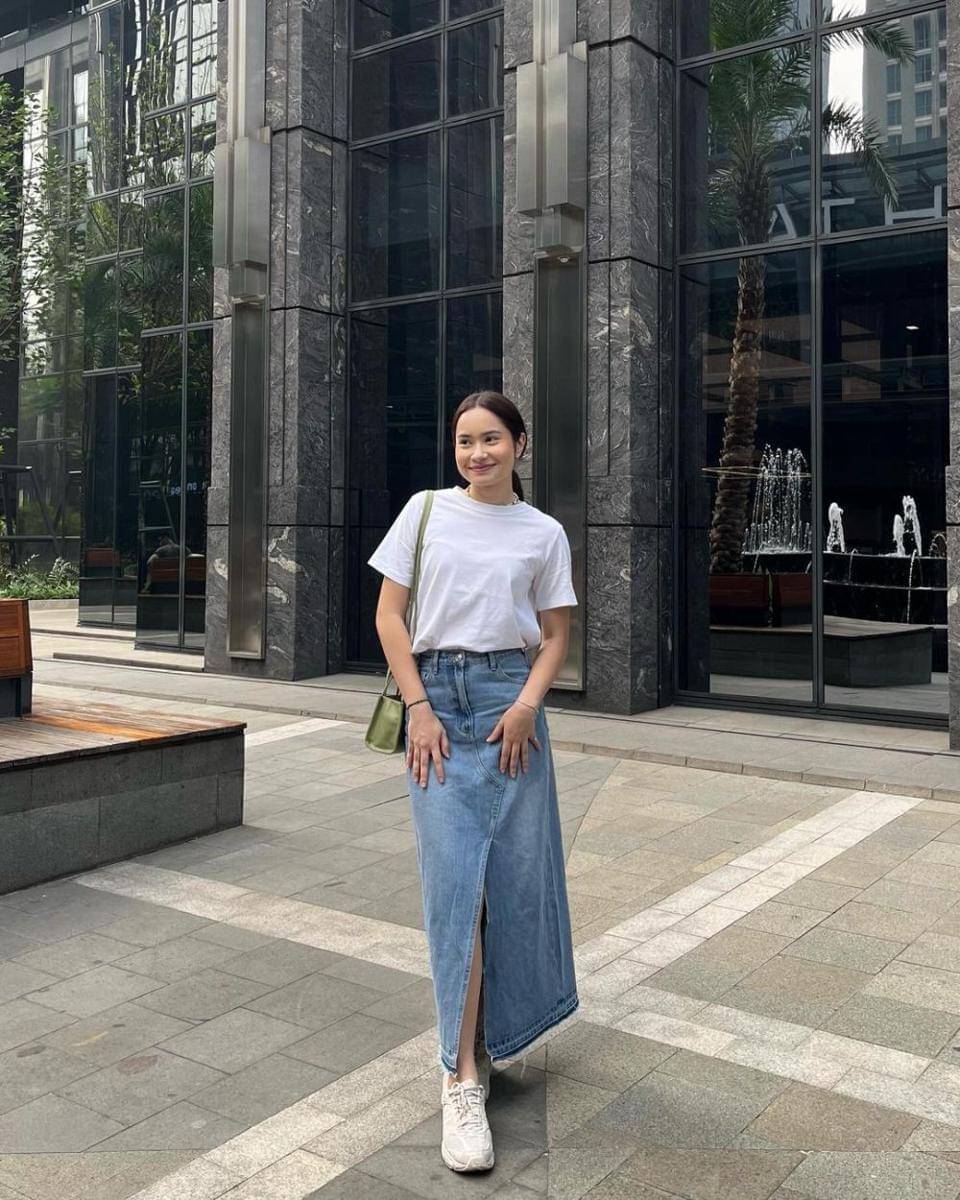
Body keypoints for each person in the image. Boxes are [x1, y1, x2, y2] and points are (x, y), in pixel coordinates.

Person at [368, 390, 580, 1174]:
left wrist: (527, 706)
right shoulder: (424, 512)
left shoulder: (542, 532)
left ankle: (494, 1039)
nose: (477, 453)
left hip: (507, 710)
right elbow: (390, 617)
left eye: (491, 439)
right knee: (454, 888)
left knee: (514, 884)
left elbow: (556, 634)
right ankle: (460, 1079)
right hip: (437, 708)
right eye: (464, 441)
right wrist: (418, 708)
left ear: (520, 444)